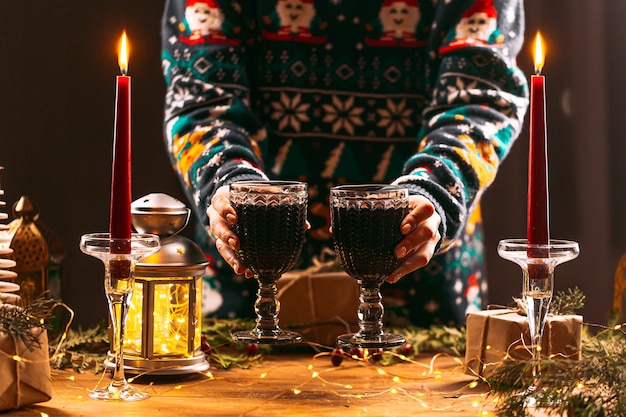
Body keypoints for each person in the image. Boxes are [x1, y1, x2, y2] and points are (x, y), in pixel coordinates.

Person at [161, 0, 529, 328]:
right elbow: (201, 97)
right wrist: (232, 184)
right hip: (246, 294)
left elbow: (481, 96)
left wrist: (434, 192)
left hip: (416, 286)